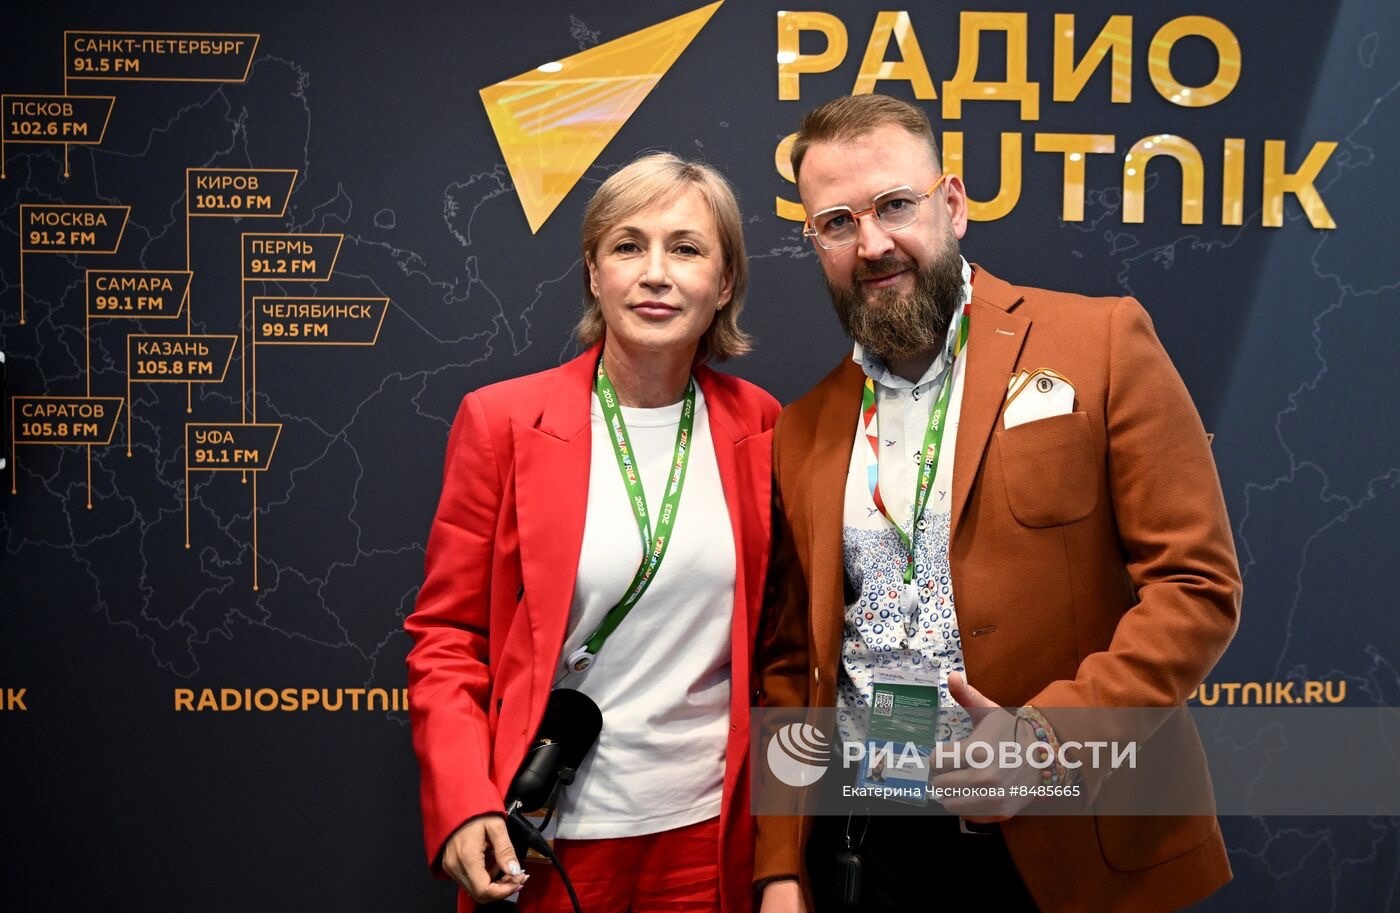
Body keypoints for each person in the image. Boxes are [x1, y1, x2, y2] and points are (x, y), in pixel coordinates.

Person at [754, 94, 1242, 913]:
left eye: (894, 205)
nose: (871, 244)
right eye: (836, 223)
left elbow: (1196, 588)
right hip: (873, 848)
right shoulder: (801, 429)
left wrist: (1046, 739)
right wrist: (779, 866)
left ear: (952, 204)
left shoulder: (1101, 341)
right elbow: (791, 666)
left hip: (1067, 837)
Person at [407, 152, 780, 913]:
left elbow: (780, 648)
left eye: (686, 248)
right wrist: (462, 799)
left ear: (725, 283)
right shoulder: (503, 421)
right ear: (594, 271)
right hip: (546, 835)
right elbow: (448, 638)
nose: (655, 274)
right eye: (628, 246)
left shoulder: (761, 426)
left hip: (708, 834)